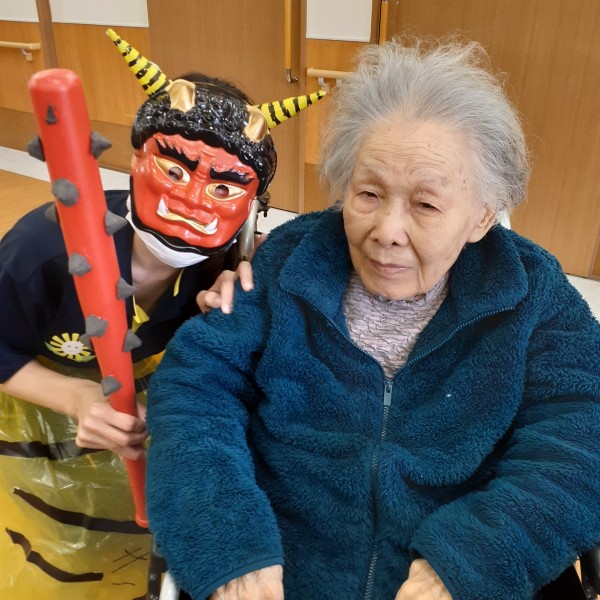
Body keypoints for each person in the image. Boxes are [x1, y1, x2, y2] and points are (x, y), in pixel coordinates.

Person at [145, 36, 600, 600]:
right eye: (368, 194)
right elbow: (194, 391)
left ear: (483, 215)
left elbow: (583, 435)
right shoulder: (288, 263)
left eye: (426, 205)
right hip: (283, 572)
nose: (387, 231)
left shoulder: (531, 292)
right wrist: (229, 544)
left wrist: (470, 562)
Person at [0, 29, 322, 598]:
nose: (194, 201)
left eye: (224, 189)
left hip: (148, 446)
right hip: (40, 435)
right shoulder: (43, 251)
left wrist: (233, 303)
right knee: (52, 559)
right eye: (174, 171)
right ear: (136, 159)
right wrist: (76, 398)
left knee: (138, 555)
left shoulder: (228, 264)